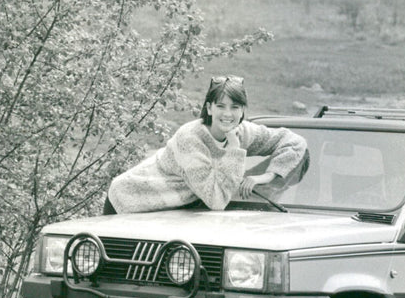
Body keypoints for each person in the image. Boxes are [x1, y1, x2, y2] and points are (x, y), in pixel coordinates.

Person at [105, 75, 308, 214]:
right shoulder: (190, 140)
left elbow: (295, 142)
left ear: (243, 110)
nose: (228, 114)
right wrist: (234, 151)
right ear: (209, 108)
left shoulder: (244, 131)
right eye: (221, 106)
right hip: (131, 199)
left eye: (234, 107)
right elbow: (216, 200)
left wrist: (265, 177)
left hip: (173, 209)